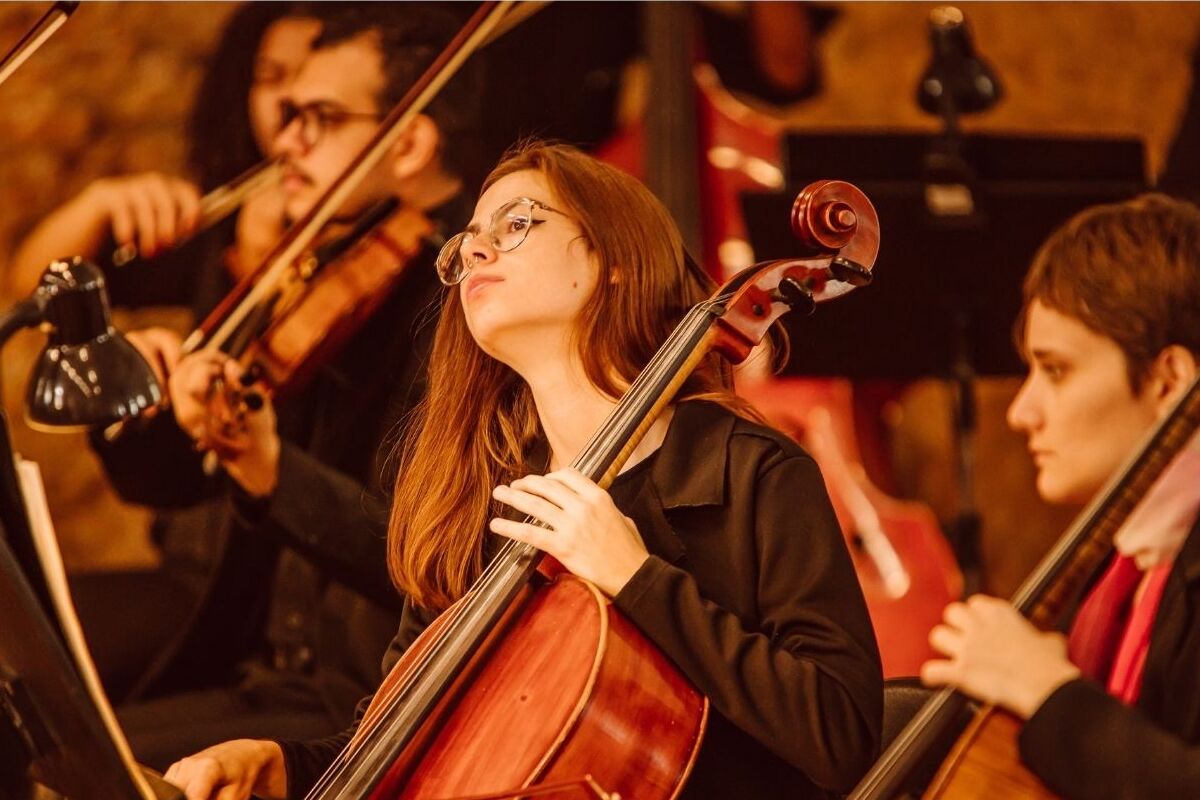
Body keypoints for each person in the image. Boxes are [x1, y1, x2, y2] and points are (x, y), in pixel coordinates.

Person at [161, 141, 883, 800]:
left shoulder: (748, 472)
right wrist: (279, 766)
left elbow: (842, 738)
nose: (476, 252)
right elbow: (403, 754)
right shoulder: (477, 504)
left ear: (613, 256)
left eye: (516, 224)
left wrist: (635, 577)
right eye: (467, 242)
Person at [34, 3, 479, 769]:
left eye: (321, 118)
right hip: (253, 658)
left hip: (354, 696)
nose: (287, 141)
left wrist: (272, 470)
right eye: (290, 112)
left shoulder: (461, 304)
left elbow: (432, 564)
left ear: (408, 142)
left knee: (58, 769)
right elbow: (169, 484)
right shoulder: (306, 265)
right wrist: (147, 407)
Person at [920, 193, 1200, 798]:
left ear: (1169, 381)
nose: (1022, 413)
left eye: (1056, 370)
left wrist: (1048, 693)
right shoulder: (1108, 563)